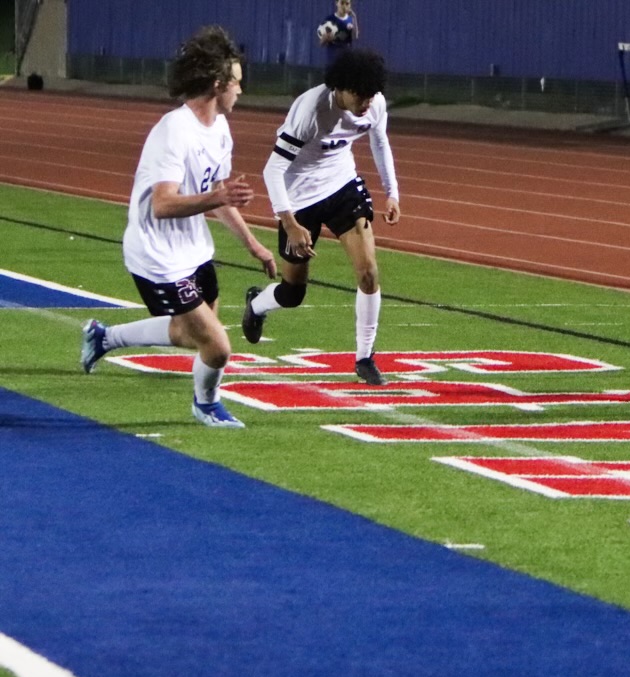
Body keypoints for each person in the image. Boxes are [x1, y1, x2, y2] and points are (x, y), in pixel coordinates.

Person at [80, 26, 277, 428]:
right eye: (237, 83)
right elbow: (164, 203)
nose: (241, 91)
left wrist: (253, 245)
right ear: (218, 83)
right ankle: (206, 405)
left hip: (193, 249)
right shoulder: (174, 131)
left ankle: (104, 337)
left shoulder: (220, 129)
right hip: (157, 255)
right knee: (217, 347)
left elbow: (216, 194)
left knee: (190, 334)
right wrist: (219, 198)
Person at [243, 47, 399, 386]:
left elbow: (380, 142)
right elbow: (272, 170)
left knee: (369, 272)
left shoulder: (375, 103)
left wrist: (392, 192)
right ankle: (257, 305)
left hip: (341, 184)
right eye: (360, 94)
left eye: (371, 94)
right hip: (298, 197)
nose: (367, 102)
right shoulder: (312, 110)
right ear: (340, 87)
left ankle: (364, 357)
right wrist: (290, 223)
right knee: (292, 293)